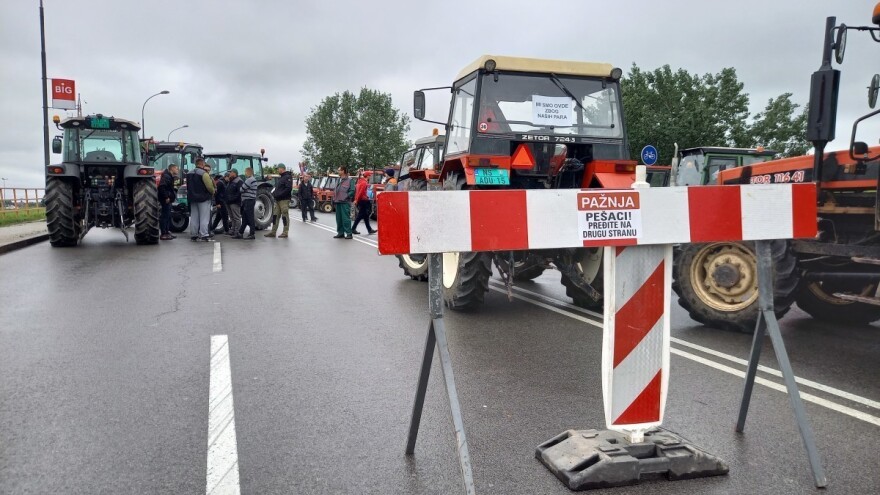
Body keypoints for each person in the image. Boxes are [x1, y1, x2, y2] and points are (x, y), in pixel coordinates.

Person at [186, 158, 215, 241]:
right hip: (203, 198)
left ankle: (194, 234)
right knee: (204, 217)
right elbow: (209, 186)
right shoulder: (204, 174)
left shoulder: (189, 173)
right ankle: (204, 234)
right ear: (202, 164)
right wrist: (213, 191)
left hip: (192, 198)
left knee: (194, 217)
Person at [266, 163, 293, 238]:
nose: (277, 170)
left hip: (284, 200)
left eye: (278, 168)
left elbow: (288, 189)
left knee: (285, 216)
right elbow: (278, 188)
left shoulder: (287, 177)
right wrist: (275, 194)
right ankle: (273, 232)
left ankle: (285, 232)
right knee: (275, 216)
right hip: (278, 200)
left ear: (282, 168)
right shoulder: (281, 177)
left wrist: (279, 194)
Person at [333, 166, 355, 239]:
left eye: (339, 170)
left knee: (345, 218)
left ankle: (349, 233)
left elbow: (352, 191)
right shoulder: (338, 179)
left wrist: (346, 196)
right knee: (338, 218)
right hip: (337, 201)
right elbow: (335, 190)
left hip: (345, 202)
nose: (338, 171)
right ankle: (340, 232)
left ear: (343, 171)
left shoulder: (350, 180)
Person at [158, 163, 179, 240]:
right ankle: (163, 233)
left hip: (169, 199)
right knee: (165, 216)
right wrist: (166, 197)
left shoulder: (169, 176)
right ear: (172, 168)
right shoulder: (166, 176)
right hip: (166, 200)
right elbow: (161, 187)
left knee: (168, 215)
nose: (177, 170)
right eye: (176, 168)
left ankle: (167, 231)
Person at [238, 167, 257, 240]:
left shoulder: (249, 180)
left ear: (248, 172)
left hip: (248, 200)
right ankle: (240, 233)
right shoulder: (253, 179)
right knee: (245, 218)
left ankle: (252, 234)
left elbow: (241, 189)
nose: (244, 173)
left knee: (250, 217)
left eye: (245, 172)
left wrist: (241, 188)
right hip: (249, 200)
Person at [226, 168, 243, 237]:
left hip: (235, 202)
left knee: (236, 217)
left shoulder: (239, 181)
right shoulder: (231, 181)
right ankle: (233, 230)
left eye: (230, 172)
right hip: (229, 202)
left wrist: (232, 199)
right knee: (232, 217)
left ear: (234, 173)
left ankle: (237, 231)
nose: (229, 174)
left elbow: (239, 192)